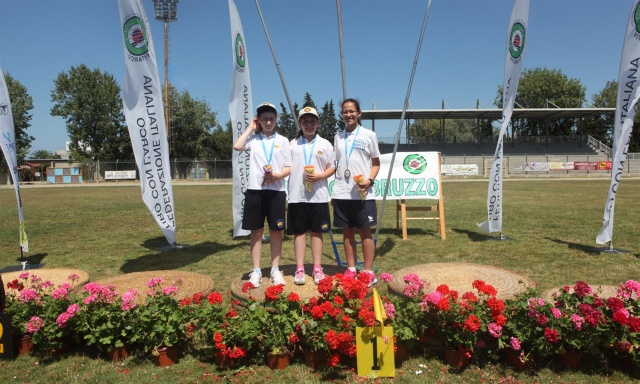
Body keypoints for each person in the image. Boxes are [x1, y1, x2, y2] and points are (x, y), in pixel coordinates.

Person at [233, 102, 291, 287]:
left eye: (271, 119)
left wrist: (277, 176)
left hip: (276, 192)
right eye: (264, 119)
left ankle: (275, 269)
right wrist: (251, 128)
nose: (268, 122)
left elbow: (289, 168)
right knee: (256, 232)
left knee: (276, 231)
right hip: (255, 191)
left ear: (276, 120)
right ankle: (256, 270)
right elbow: (237, 146)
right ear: (259, 120)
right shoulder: (254, 139)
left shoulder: (283, 141)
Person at [331, 98, 381, 287]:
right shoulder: (338, 136)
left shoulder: (369, 135)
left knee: (365, 232)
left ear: (359, 113)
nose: (348, 114)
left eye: (352, 111)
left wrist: (369, 180)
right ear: (342, 115)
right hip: (342, 192)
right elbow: (335, 165)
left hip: (363, 192)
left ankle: (368, 271)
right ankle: (351, 269)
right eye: (345, 111)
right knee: (347, 232)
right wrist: (334, 192)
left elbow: (376, 164)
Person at [287, 106, 336, 285]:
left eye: (312, 121)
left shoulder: (325, 144)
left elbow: (332, 166)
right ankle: (299, 268)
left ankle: (317, 268)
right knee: (299, 232)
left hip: (319, 195)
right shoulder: (291, 145)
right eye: (305, 121)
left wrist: (320, 176)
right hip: (297, 195)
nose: (309, 124)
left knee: (316, 232)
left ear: (318, 123)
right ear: (299, 123)